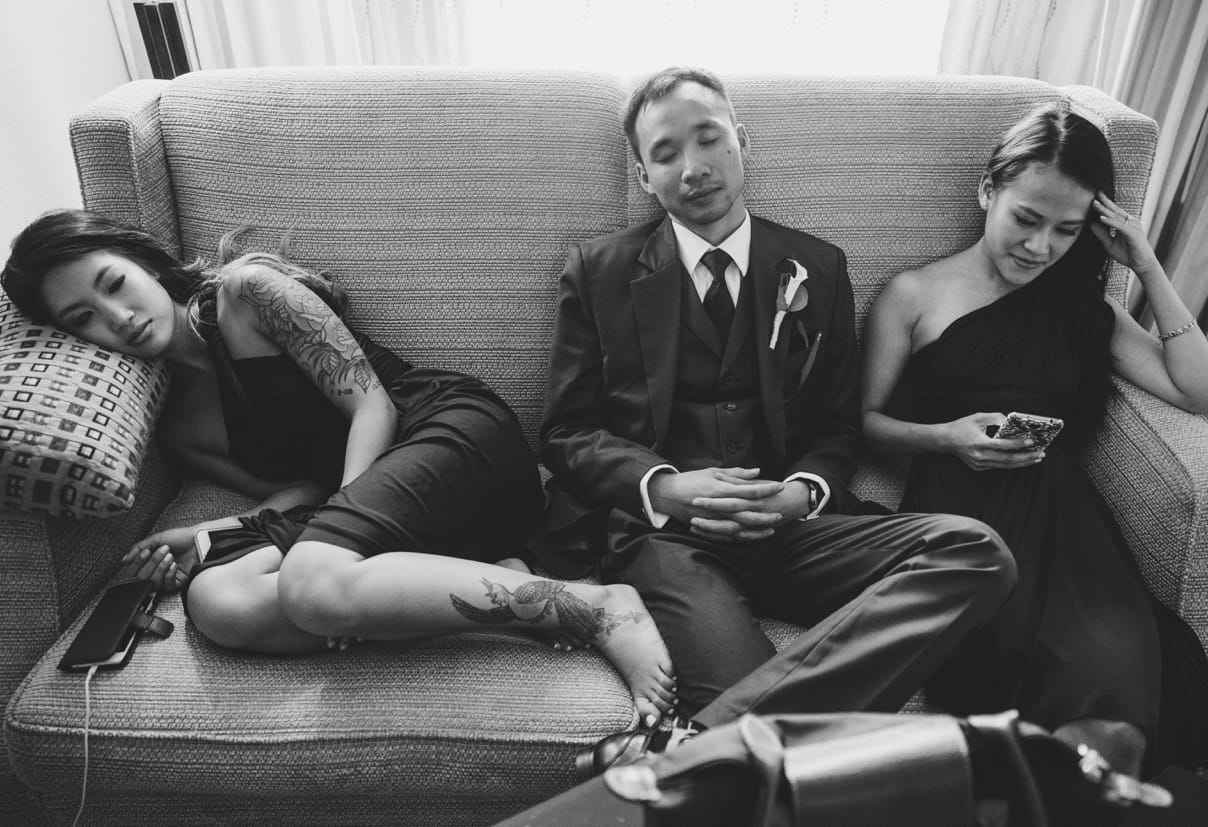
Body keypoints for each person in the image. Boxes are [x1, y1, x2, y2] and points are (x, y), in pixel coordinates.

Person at [1, 209, 677, 726]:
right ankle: (482, 582)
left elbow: (372, 409)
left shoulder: (247, 293)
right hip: (382, 512)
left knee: (311, 580)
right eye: (84, 318)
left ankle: (593, 607)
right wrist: (208, 537)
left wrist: (336, 539)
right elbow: (296, 493)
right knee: (216, 599)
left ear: (141, 261)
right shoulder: (181, 427)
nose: (116, 317)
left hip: (449, 435)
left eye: (114, 284)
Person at [536, 66, 1017, 772]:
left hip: (796, 529)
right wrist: (664, 487)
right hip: (672, 541)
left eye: (710, 139)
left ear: (742, 142)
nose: (694, 168)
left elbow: (837, 429)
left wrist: (801, 492)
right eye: (666, 153)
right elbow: (566, 431)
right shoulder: (599, 272)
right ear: (643, 175)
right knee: (749, 717)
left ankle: (691, 747)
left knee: (978, 553)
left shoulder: (817, 269)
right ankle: (740, 743)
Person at [860, 102, 1208, 777]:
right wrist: (948, 438)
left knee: (1111, 712)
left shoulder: (1084, 308)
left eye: (1066, 230)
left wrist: (1147, 265)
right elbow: (867, 424)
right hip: (960, 509)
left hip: (1064, 522)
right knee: (1011, 690)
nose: (1040, 247)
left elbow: (1205, 394)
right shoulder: (914, 295)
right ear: (988, 191)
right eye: (1027, 220)